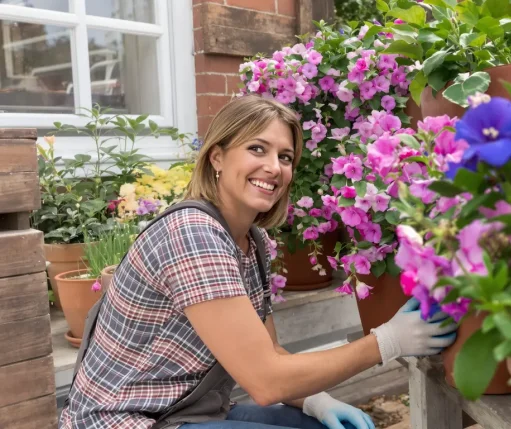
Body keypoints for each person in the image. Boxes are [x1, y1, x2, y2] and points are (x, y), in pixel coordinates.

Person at [59, 95, 458, 429]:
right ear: (217, 157)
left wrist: (317, 402)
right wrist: (388, 341)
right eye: (257, 149)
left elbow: (271, 354)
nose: (274, 167)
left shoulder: (255, 243)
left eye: (285, 157)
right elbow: (265, 381)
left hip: (185, 413)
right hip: (125, 420)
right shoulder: (193, 234)